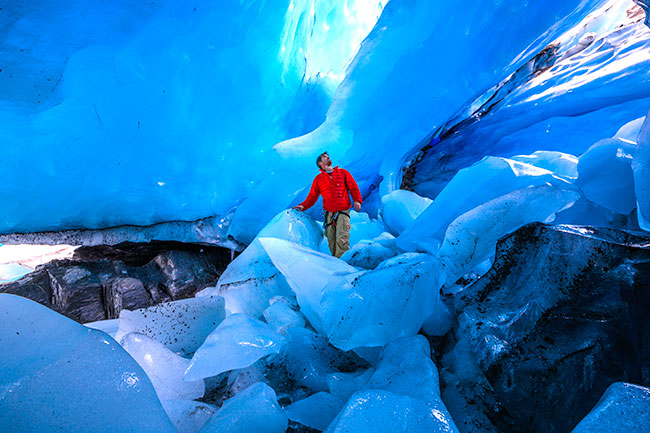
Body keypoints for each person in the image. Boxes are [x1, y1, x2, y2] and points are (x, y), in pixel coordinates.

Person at [293, 152, 362, 258]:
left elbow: (353, 188)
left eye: (328, 157)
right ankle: (336, 264)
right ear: (320, 163)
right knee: (331, 240)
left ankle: (343, 266)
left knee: (342, 238)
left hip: (343, 212)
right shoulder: (318, 179)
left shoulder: (343, 173)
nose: (328, 158)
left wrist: (357, 201)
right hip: (328, 214)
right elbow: (312, 197)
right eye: (325, 157)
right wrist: (303, 206)